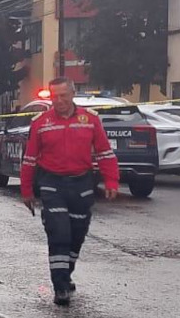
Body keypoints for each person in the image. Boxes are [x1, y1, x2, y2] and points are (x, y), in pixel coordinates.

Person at [20, 77, 119, 306]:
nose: (60, 101)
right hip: (52, 183)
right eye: (55, 97)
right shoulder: (41, 122)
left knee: (76, 236)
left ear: (73, 94)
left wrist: (111, 181)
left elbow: (104, 153)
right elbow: (30, 160)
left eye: (64, 95)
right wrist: (26, 191)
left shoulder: (90, 120)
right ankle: (60, 286)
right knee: (59, 234)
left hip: (82, 184)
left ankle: (66, 271)